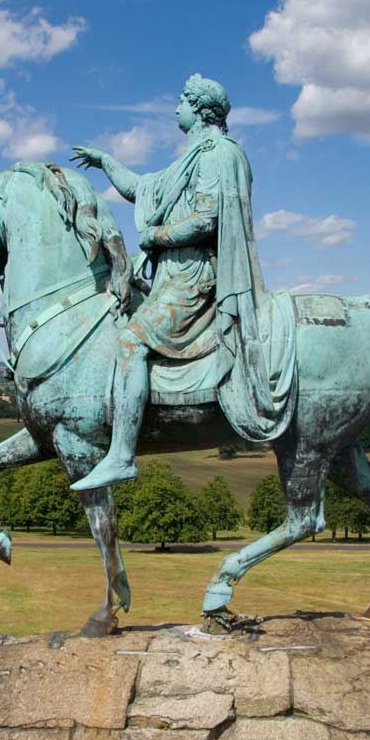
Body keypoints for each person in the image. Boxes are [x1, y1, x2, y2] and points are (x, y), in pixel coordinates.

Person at [69, 74, 277, 491]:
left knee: (130, 342)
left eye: (181, 100)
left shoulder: (218, 154)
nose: (175, 108)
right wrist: (106, 162)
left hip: (196, 276)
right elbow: (142, 188)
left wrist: (154, 237)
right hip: (174, 274)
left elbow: (207, 219)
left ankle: (123, 455)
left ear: (200, 109)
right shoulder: (191, 158)